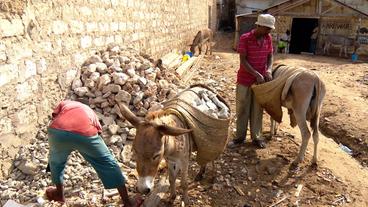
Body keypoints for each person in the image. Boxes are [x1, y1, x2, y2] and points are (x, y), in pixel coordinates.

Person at [45, 100, 142, 207]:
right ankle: (127, 202)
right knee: (108, 162)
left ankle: (59, 194)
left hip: (57, 132)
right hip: (85, 134)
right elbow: (98, 132)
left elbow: (55, 117)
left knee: (56, 162)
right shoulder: (90, 112)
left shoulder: (64, 104)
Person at [228, 14, 275, 149]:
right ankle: (239, 138)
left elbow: (270, 56)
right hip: (245, 80)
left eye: (270, 29)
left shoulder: (268, 38)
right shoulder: (245, 38)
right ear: (258, 26)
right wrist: (256, 74)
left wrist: (269, 70)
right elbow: (243, 61)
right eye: (266, 29)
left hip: (260, 83)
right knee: (242, 109)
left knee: (257, 110)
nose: (268, 32)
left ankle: (256, 137)